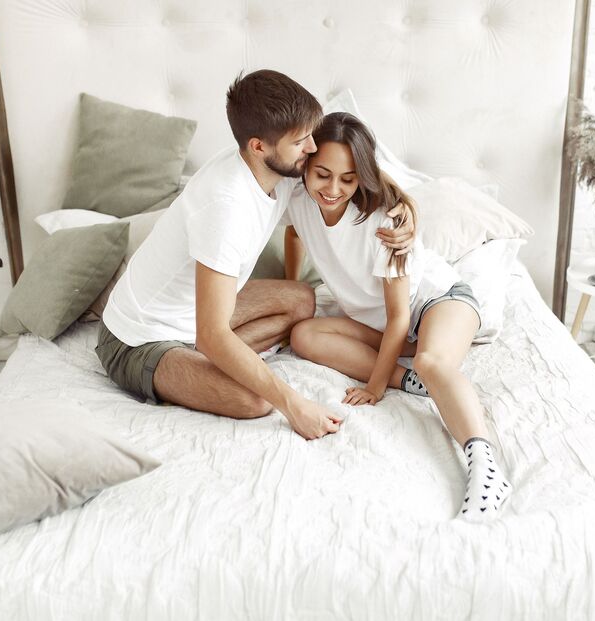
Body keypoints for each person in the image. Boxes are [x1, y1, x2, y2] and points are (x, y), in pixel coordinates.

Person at [95, 71, 414, 441]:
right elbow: (212, 334)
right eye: (301, 141)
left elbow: (357, 169)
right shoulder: (225, 208)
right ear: (259, 146)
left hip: (194, 321)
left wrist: (406, 207)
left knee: (301, 299)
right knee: (255, 399)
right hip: (138, 340)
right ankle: (190, 370)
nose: (312, 148)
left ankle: (201, 366)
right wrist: (295, 405)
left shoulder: (279, 168)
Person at [283, 112, 512, 520]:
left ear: (362, 176)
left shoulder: (385, 223)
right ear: (306, 165)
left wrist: (374, 387)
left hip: (438, 302)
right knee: (304, 335)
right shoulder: (299, 200)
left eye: (348, 179)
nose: (333, 189)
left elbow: (399, 317)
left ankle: (486, 467)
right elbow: (293, 232)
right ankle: (410, 380)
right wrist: (291, 283)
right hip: (387, 327)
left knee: (431, 361)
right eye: (322, 175)